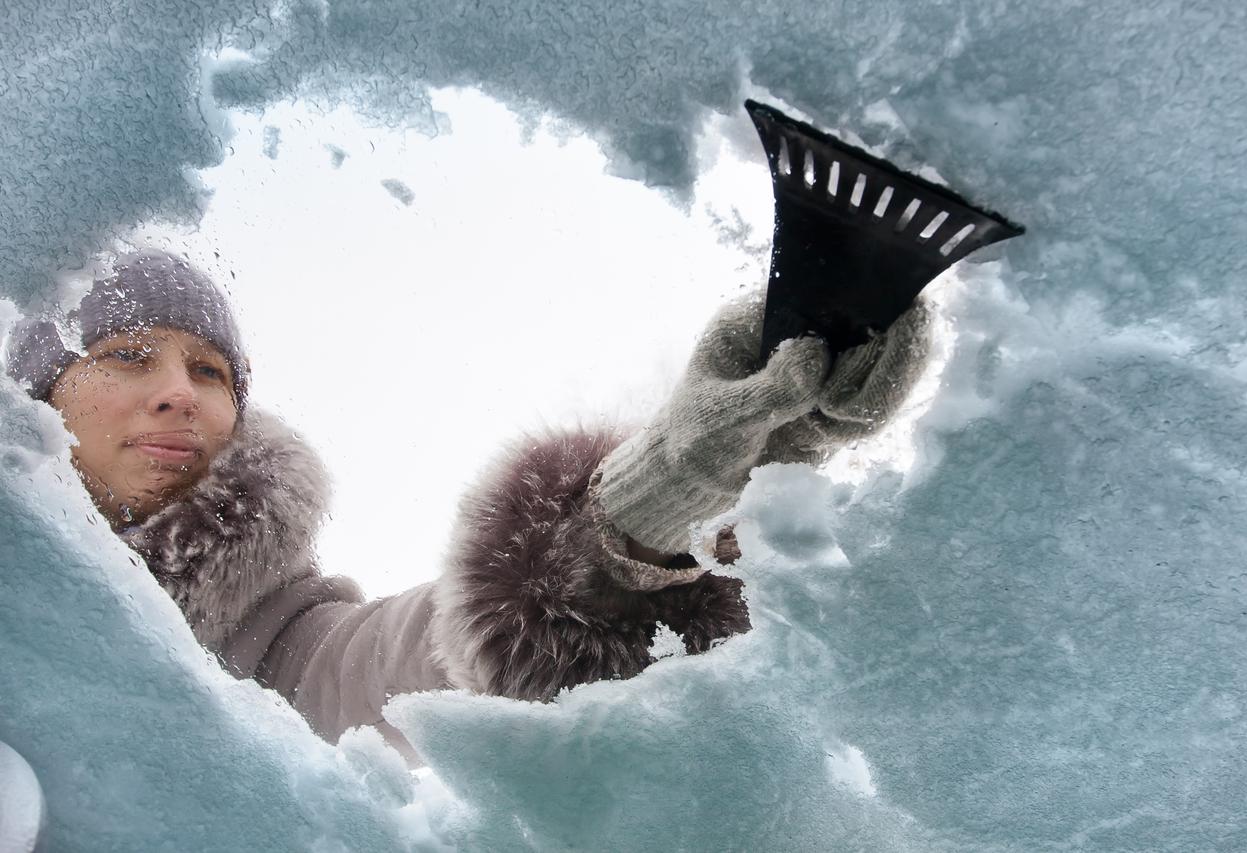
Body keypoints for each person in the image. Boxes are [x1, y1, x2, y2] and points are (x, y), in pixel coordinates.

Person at [5, 250, 930, 759]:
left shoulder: (282, 652)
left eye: (210, 371)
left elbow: (408, 656)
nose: (181, 393)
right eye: (128, 355)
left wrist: (667, 494)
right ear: (37, 399)